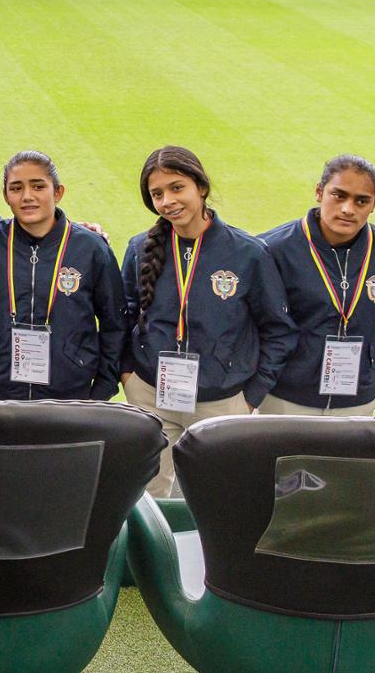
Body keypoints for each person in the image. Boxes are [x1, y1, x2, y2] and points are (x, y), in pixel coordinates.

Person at [123, 146, 295, 498]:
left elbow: (278, 330)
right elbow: (121, 317)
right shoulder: (140, 248)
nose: (168, 201)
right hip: (152, 396)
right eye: (157, 194)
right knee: (148, 498)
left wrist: (251, 397)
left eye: (177, 188)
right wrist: (129, 376)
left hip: (221, 402)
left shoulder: (248, 253)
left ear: (200, 187)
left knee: (216, 499)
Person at [0, 151, 122, 401]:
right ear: (6, 196)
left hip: (68, 395)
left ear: (58, 192)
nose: (27, 196)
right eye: (16, 188)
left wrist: (103, 388)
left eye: (38, 186)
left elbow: (114, 322)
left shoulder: (91, 248)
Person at [259, 155, 375, 416]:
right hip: (286, 398)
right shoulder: (273, 249)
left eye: (361, 201)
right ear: (319, 192)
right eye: (339, 195)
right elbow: (262, 325)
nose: (348, 209)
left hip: (356, 399)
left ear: (374, 205)